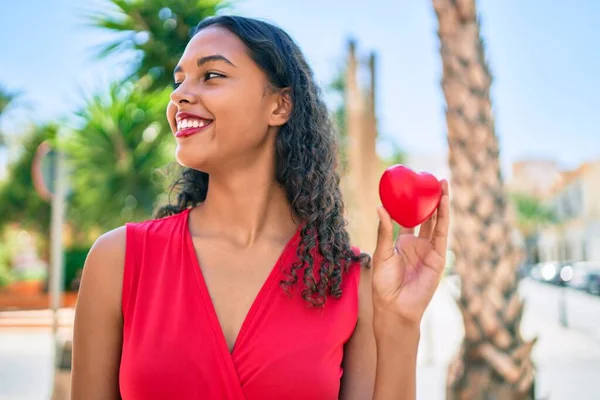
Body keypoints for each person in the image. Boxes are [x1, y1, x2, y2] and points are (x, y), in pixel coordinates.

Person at [70, 15, 450, 400]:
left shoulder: (350, 282)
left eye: (212, 75)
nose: (179, 94)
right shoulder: (118, 260)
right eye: (179, 80)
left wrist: (401, 324)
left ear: (279, 106)